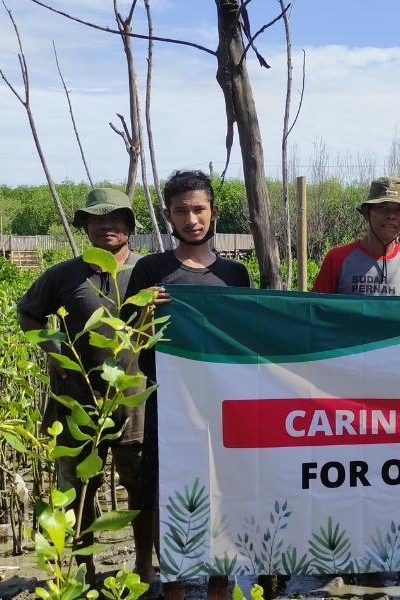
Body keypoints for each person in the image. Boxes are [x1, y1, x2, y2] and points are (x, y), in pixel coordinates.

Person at [122, 170, 252, 589]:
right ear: (168, 215)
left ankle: (220, 587)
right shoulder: (151, 270)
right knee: (167, 492)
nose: (191, 219)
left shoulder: (236, 275)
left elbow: (246, 338)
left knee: (224, 492)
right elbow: (132, 339)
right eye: (181, 211)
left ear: (213, 212)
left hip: (222, 403)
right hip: (170, 403)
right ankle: (174, 586)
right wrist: (145, 311)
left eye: (199, 209)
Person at [17, 188, 145, 584]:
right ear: (85, 227)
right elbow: (28, 312)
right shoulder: (63, 275)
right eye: (97, 219)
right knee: (77, 491)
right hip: (77, 401)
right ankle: (83, 571)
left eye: (116, 218)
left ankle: (144, 567)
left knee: (141, 490)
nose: (107, 225)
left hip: (135, 404)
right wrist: (53, 352)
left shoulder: (147, 272)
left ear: (129, 225)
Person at [313, 176, 400, 295]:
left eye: (399, 210)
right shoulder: (337, 259)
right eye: (383, 207)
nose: (391, 215)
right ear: (367, 213)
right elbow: (314, 312)